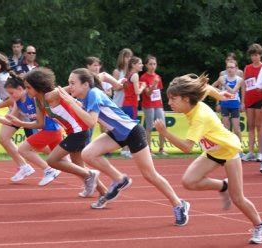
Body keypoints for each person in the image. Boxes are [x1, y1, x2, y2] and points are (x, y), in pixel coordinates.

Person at [57, 68, 189, 226]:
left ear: (85, 84)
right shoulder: (86, 97)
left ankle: (179, 204)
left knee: (150, 175)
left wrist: (71, 101)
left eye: (72, 83)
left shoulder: (93, 94)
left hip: (132, 132)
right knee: (88, 154)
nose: (69, 87)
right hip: (117, 134)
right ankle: (120, 179)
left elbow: (91, 122)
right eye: (69, 83)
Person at [154, 73, 262, 244]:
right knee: (188, 181)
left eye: (173, 99)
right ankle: (224, 185)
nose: (169, 103)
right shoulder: (193, 101)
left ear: (185, 99)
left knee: (238, 198)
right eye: (169, 99)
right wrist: (220, 95)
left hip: (229, 152)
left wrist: (165, 133)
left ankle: (261, 226)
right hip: (213, 152)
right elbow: (206, 88)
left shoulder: (199, 117)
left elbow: (186, 147)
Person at [5, 67, 107, 198]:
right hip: (73, 132)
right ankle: (104, 191)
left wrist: (95, 78)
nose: (26, 90)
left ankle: (90, 175)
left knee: (52, 160)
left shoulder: (51, 95)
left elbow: (69, 89)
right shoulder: (38, 100)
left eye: (28, 87)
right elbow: (39, 124)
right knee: (78, 165)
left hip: (79, 131)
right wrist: (20, 123)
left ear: (38, 86)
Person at [0, 74, 62, 185]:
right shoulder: (17, 102)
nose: (10, 97)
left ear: (21, 89)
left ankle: (49, 170)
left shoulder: (33, 97)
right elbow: (11, 122)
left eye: (12, 93)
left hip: (50, 129)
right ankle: (88, 173)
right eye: (9, 94)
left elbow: (51, 98)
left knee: (23, 149)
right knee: (62, 160)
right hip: (47, 130)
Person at [0, 53, 34, 183]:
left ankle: (60, 158)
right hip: (17, 113)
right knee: (4, 138)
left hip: (20, 114)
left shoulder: (2, 79)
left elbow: (13, 99)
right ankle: (24, 166)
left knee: (38, 144)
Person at [140, 55, 167, 156]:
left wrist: (162, 106)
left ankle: (161, 149)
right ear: (146, 65)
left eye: (154, 64)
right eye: (150, 64)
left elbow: (158, 93)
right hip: (148, 105)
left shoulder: (158, 77)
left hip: (158, 105)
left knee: (162, 127)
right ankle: (149, 150)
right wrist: (153, 86)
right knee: (149, 127)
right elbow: (147, 93)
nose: (153, 66)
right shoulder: (143, 77)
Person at [242, 43, 262, 162]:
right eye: (252, 55)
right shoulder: (247, 68)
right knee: (250, 126)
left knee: (259, 126)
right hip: (249, 100)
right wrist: (243, 101)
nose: (254, 57)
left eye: (256, 55)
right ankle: (251, 152)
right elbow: (244, 86)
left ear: (260, 55)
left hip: (261, 99)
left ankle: (260, 152)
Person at [212, 60, 243, 143]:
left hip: (235, 105)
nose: (230, 69)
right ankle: (227, 148)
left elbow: (233, 91)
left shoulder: (239, 79)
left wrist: (225, 84)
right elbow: (212, 87)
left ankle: (239, 148)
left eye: (232, 67)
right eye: (228, 67)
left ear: (236, 69)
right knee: (226, 128)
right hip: (225, 104)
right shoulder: (222, 78)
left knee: (236, 128)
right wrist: (220, 92)